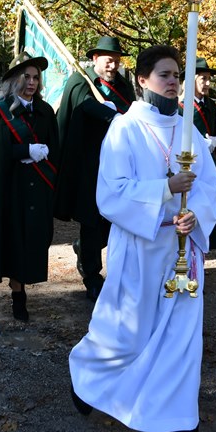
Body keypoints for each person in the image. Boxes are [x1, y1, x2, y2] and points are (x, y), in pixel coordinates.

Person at [69, 45, 216, 432]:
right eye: (164, 75)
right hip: (140, 246)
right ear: (142, 80)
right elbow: (111, 193)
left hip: (182, 250)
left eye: (176, 76)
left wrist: (195, 214)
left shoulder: (189, 130)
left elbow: (209, 186)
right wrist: (165, 189)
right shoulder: (125, 129)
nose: (173, 83)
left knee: (181, 337)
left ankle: (178, 421)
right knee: (127, 334)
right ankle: (87, 378)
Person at [0, 52, 59, 322]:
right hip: (11, 189)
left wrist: (45, 154)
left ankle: (25, 281)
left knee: (36, 238)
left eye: (35, 78)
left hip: (39, 188)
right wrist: (24, 150)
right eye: (26, 77)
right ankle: (18, 295)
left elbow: (55, 148)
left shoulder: (45, 111)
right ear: (15, 80)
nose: (31, 82)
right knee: (14, 240)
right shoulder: (1, 111)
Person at [55, 35, 136, 301]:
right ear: (95, 59)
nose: (113, 66)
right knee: (91, 220)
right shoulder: (81, 81)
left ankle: (87, 250)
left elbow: (132, 112)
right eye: (108, 61)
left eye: (116, 61)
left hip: (118, 164)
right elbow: (82, 104)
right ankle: (92, 276)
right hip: (88, 164)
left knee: (113, 221)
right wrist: (109, 114)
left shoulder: (123, 85)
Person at [182, 57, 216, 250]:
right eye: (203, 78)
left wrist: (215, 144)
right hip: (192, 163)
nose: (208, 83)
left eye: (209, 79)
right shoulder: (182, 106)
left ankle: (212, 241)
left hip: (210, 161)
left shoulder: (211, 105)